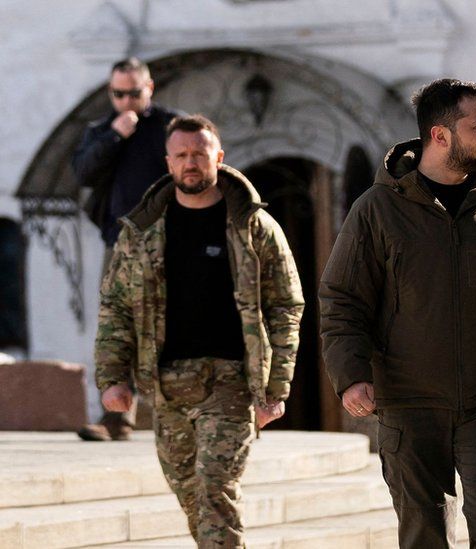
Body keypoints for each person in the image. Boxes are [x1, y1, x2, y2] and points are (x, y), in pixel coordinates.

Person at [319, 78, 476, 549]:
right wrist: (350, 374)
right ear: (440, 135)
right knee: (423, 535)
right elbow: (343, 300)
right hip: (408, 406)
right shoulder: (377, 210)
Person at [95, 114, 304, 547]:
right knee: (192, 495)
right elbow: (115, 307)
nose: (191, 163)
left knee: (214, 488)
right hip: (166, 386)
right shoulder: (141, 233)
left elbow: (285, 306)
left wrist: (276, 386)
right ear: (168, 162)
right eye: (182, 155)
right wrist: (113, 377)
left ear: (219, 157)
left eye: (200, 154)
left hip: (230, 382)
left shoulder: (254, 227)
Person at [73, 57, 180, 441]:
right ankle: (116, 416)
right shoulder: (101, 130)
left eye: (134, 92)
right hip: (118, 244)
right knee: (117, 328)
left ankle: (180, 414)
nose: (127, 100)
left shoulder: (170, 126)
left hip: (171, 243)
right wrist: (115, 136)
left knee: (174, 324)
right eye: (119, 94)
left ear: (149, 88)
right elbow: (83, 173)